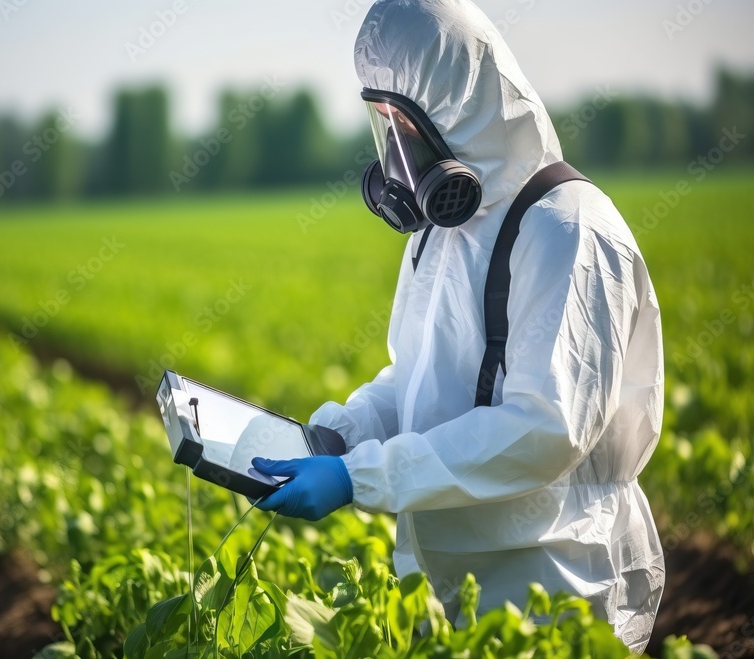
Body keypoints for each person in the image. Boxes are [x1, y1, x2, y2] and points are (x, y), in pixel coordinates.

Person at [251, 0, 665, 652]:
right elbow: (418, 380)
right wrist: (338, 435)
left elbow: (543, 428)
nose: (392, 147)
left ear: (458, 105)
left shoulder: (568, 228)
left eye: (402, 121)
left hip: (552, 592)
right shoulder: (441, 232)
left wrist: (362, 477)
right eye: (379, 119)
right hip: (443, 592)